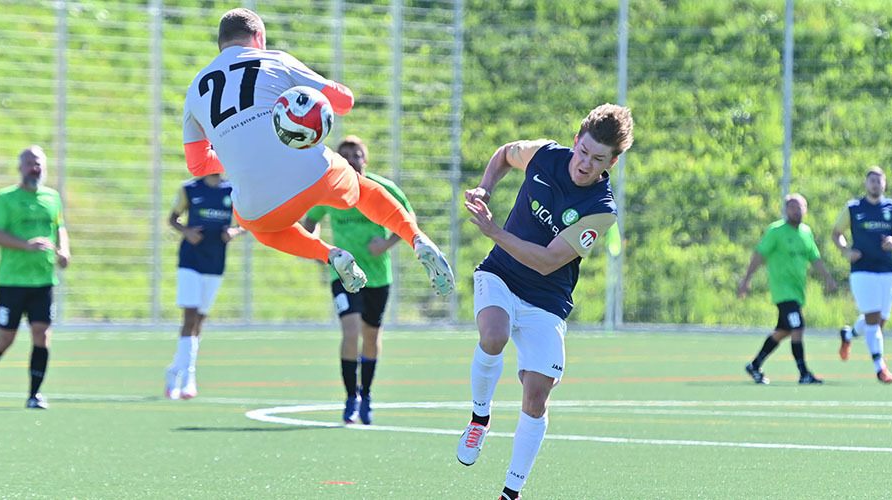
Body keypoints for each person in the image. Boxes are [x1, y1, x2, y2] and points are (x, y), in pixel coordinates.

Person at [182, 7, 452, 299]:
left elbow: (197, 165)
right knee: (362, 191)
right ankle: (417, 239)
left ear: (221, 43)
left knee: (263, 229)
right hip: (312, 170)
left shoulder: (196, 89)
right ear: (258, 37)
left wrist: (238, 152)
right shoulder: (275, 59)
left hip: (256, 203)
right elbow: (344, 102)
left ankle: (330, 254)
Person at [459, 104, 633, 500]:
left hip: (547, 298)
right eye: (583, 152)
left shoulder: (601, 211)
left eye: (597, 159)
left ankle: (511, 491)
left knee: (537, 394)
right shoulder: (544, 154)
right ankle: (479, 417)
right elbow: (504, 154)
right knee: (493, 336)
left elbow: (549, 261)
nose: (585, 164)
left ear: (613, 162)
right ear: (576, 141)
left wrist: (493, 230)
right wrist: (487, 187)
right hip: (500, 275)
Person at [300, 136, 408, 425]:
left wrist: (385, 245)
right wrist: (318, 249)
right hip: (343, 275)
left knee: (371, 337)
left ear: (365, 159)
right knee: (351, 332)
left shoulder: (382, 188)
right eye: (344, 154)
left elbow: (408, 220)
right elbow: (309, 221)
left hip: (377, 276)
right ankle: (351, 397)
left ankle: (366, 394)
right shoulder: (329, 191)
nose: (350, 159)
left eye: (356, 154)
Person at [0, 146, 70, 409]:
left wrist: (64, 251)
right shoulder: (6, 198)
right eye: (29, 163)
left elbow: (59, 227)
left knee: (42, 335)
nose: (34, 168)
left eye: (38, 163)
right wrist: (27, 245)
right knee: (6, 338)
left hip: (43, 281)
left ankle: (34, 394)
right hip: (13, 281)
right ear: (20, 167)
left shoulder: (52, 197)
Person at [738, 194, 836, 385]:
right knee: (797, 327)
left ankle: (754, 364)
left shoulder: (806, 232)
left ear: (805, 209)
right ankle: (804, 373)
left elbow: (814, 257)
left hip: (797, 293)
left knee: (783, 331)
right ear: (785, 210)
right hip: (783, 292)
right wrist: (746, 280)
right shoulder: (776, 231)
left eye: (799, 207)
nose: (795, 211)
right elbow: (759, 255)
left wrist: (828, 278)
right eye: (791, 207)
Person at [163, 173, 242, 400]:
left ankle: (173, 371)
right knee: (190, 317)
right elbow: (173, 219)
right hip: (190, 260)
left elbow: (247, 222)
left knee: (200, 320)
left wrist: (234, 232)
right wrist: (186, 231)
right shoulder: (190, 188)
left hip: (215, 261)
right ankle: (189, 379)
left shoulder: (232, 190)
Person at [832, 166, 892, 384]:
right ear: (865, 184)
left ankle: (848, 335)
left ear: (884, 184)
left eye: (879, 180)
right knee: (873, 320)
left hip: (886, 270)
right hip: (862, 270)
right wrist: (846, 250)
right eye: (871, 180)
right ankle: (880, 368)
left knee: (878, 321)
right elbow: (837, 233)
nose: (875, 184)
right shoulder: (853, 207)